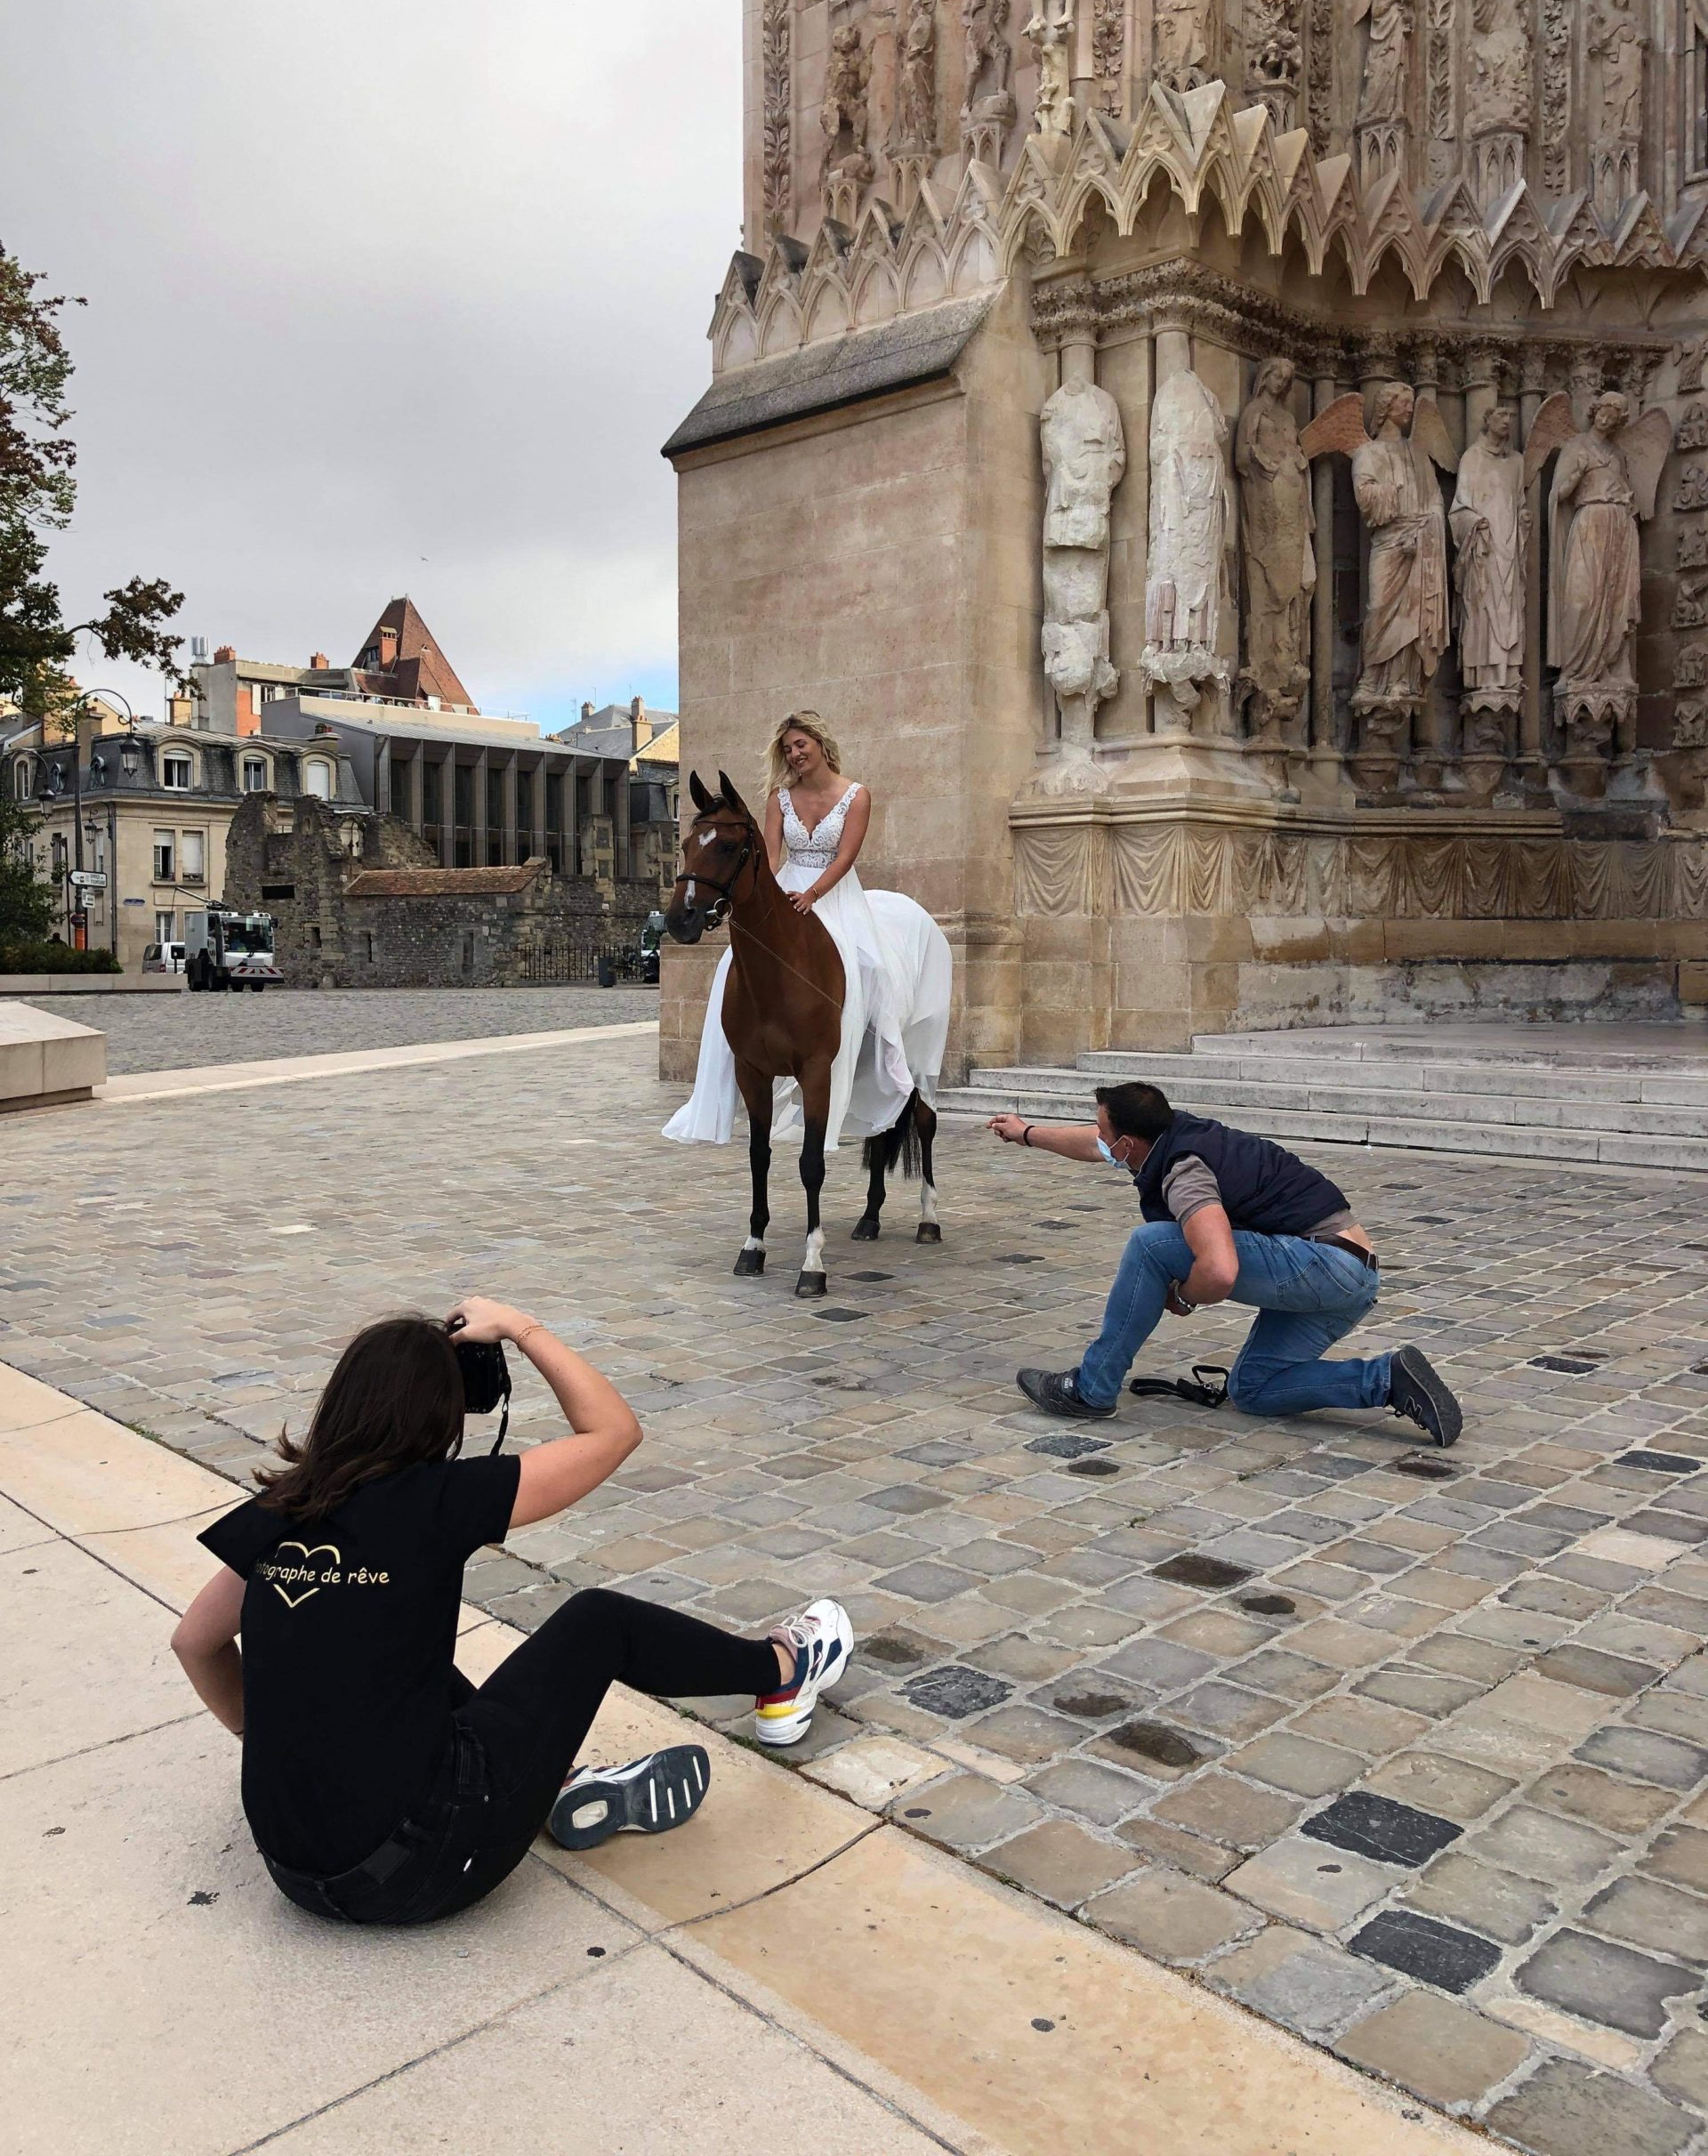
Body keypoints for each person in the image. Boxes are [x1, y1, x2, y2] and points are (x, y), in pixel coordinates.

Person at [172, 1300, 853, 1926]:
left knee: (380, 1658)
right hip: (421, 1873)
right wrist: (521, 1328)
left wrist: (294, 1753)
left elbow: (194, 1643)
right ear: (442, 1413)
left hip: (294, 1876)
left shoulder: (283, 1507)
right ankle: (783, 1672)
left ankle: (553, 1784)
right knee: (596, 1623)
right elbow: (614, 1432)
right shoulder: (440, 1498)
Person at [993, 1083, 1462, 1442]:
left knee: (1152, 1244)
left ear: (1130, 1144)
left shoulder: (1184, 1171)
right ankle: (1387, 1379)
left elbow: (1219, 1271)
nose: (1100, 1139)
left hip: (1322, 1264)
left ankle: (1091, 1391)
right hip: (1349, 1275)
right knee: (1254, 1391)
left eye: (1106, 1132)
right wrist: (1027, 1134)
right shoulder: (1171, 1131)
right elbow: (1093, 1144)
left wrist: (1181, 1294)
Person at [663, 710, 952, 1152]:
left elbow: (845, 857)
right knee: (731, 966)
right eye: (788, 749)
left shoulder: (856, 796)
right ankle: (722, 1078)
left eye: (801, 745)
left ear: (819, 744)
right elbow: (772, 858)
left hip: (835, 895)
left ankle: (880, 1059)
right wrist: (773, 899)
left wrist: (814, 895)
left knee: (869, 967)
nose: (795, 754)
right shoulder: (780, 798)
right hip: (788, 888)